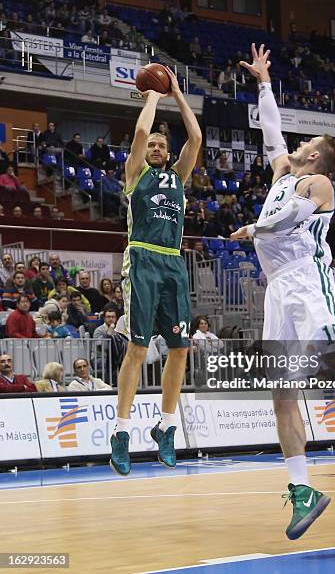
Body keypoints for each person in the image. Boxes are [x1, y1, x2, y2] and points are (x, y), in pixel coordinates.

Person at [230, 43, 335, 540]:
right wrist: (262, 82)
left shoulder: (321, 182)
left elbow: (288, 221)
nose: (297, 142)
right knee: (281, 392)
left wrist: (254, 228)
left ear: (319, 153)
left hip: (308, 278)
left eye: (308, 140)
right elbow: (271, 126)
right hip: (278, 290)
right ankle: (302, 490)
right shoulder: (284, 173)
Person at [110, 66, 201, 476]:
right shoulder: (137, 173)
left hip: (173, 261)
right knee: (139, 349)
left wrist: (177, 93)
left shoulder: (178, 177)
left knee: (181, 349)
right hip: (143, 257)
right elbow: (140, 136)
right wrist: (152, 95)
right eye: (155, 145)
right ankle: (122, 431)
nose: (158, 148)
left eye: (164, 145)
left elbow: (196, 138)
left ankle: (165, 427)